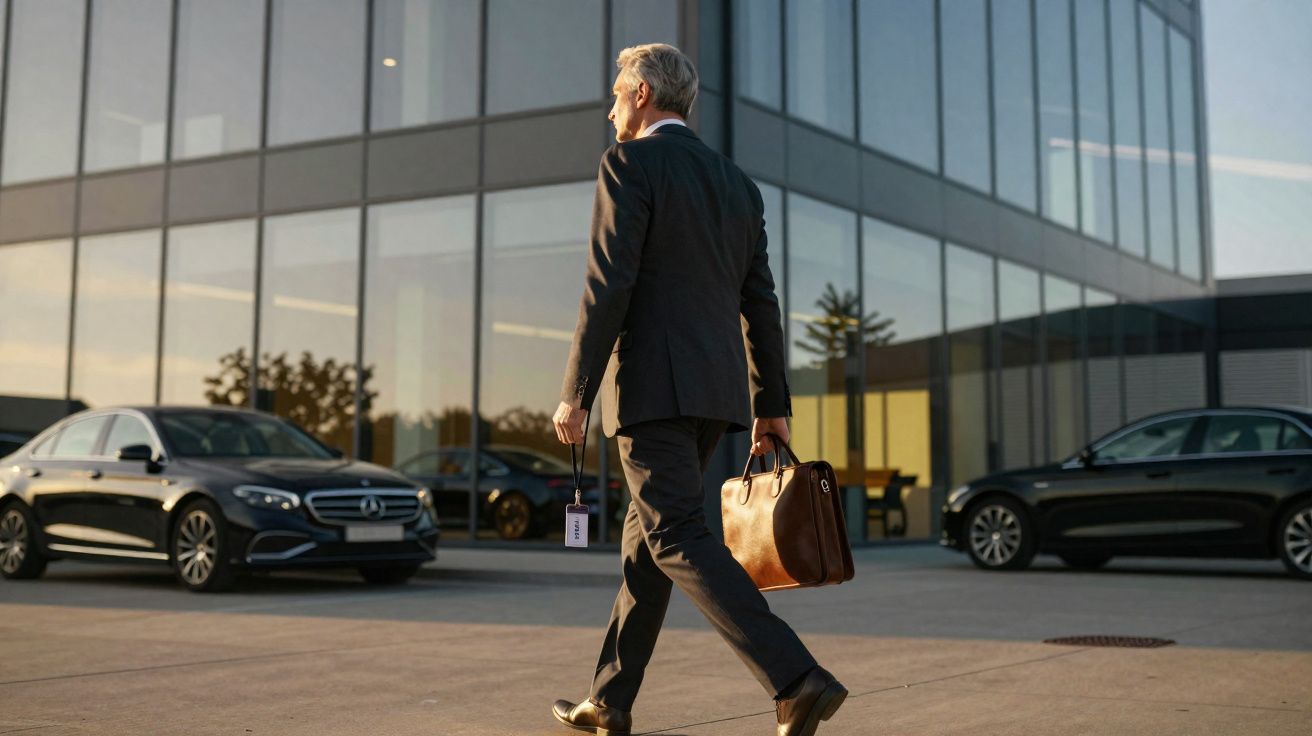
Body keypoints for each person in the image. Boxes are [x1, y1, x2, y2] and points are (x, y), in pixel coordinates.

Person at [550, 43, 846, 736]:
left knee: (675, 533)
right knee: (645, 546)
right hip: (716, 397)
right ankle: (609, 702)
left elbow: (609, 284)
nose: (612, 106)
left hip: (652, 387)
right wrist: (770, 405)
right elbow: (760, 302)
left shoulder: (629, 162)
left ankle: (796, 679)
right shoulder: (737, 184)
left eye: (619, 93)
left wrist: (577, 392)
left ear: (645, 95)